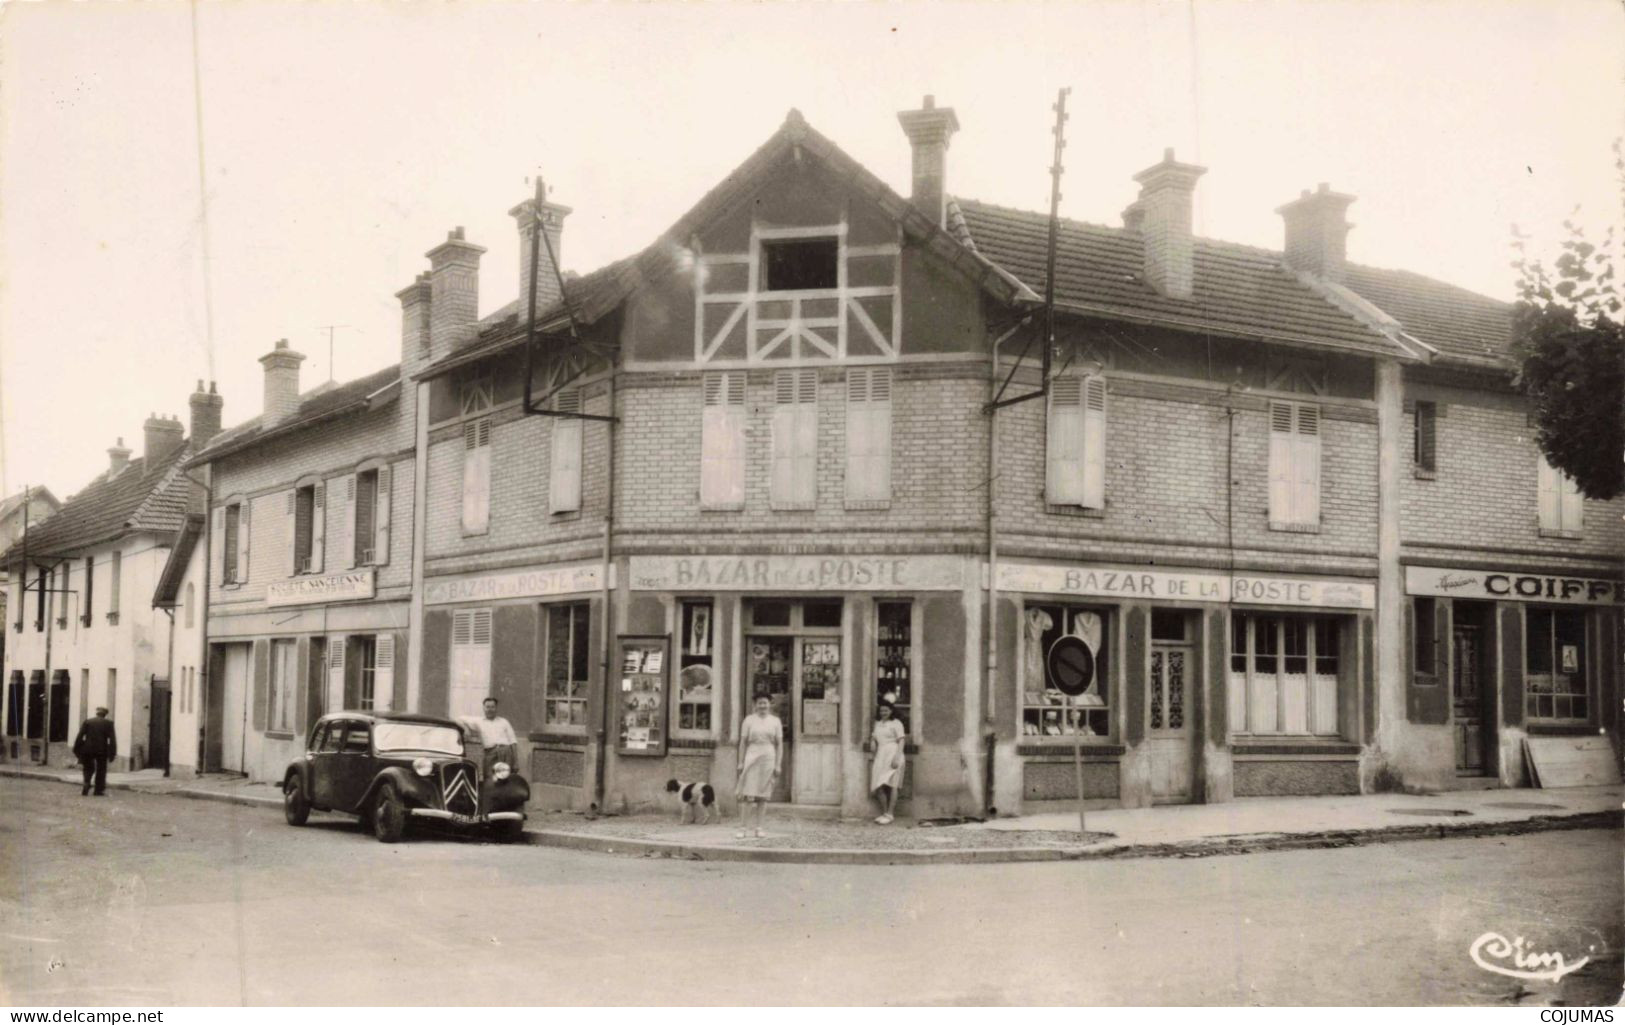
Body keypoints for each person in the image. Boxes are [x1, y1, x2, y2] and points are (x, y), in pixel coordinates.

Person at [734, 693, 782, 839]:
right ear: (755, 705)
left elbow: (779, 744)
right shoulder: (749, 720)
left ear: (770, 704)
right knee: (748, 794)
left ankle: (759, 827)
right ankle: (743, 828)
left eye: (765, 703)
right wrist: (741, 762)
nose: (763, 706)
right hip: (752, 755)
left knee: (763, 796)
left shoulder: (775, 721)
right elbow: (743, 742)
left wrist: (778, 764)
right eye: (760, 703)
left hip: (768, 756)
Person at [458, 697, 518, 781]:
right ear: (484, 708)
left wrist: (515, 762)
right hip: (490, 753)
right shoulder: (478, 722)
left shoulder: (504, 721)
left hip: (505, 752)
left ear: (496, 708)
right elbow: (460, 718)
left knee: (505, 778)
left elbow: (513, 742)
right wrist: (466, 730)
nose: (490, 710)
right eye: (487, 707)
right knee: (490, 778)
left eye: (492, 707)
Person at [870, 701, 906, 824]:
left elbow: (901, 741)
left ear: (891, 711)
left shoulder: (896, 723)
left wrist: (897, 757)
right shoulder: (878, 724)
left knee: (893, 784)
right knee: (879, 785)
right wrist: (872, 741)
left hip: (893, 753)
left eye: (886, 710)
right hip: (881, 755)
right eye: (881, 711)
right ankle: (884, 813)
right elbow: (874, 738)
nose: (883, 713)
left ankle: (890, 814)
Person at [73, 707, 116, 797]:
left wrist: (77, 749)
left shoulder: (88, 722)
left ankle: (86, 782)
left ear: (97, 713)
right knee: (101, 769)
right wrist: (112, 753)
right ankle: (98, 790)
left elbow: (80, 736)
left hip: (88, 749)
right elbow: (112, 740)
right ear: (105, 714)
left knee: (88, 768)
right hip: (102, 750)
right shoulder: (109, 723)